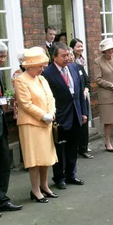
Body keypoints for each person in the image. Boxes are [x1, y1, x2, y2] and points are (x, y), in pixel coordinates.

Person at [14, 47, 58, 203]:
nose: (43, 68)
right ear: (30, 66)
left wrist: (51, 112)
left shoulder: (41, 79)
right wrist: (43, 115)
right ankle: (35, 190)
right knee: (34, 160)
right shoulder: (20, 80)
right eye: (40, 66)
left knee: (45, 157)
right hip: (30, 125)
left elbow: (50, 98)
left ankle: (44, 186)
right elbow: (25, 104)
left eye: (43, 65)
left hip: (45, 123)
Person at [43, 42, 87, 190]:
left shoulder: (74, 67)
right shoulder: (47, 73)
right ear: (54, 57)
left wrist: (84, 112)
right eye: (64, 55)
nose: (68, 58)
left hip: (75, 112)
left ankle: (71, 174)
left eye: (68, 54)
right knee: (59, 148)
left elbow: (80, 92)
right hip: (60, 116)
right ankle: (59, 177)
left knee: (73, 146)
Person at [0, 41, 23, 214]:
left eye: (4, 56)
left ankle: (2, 199)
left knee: (4, 163)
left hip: (1, 127)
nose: (3, 60)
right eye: (0, 56)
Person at [67, 45, 93, 159]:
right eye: (69, 55)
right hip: (72, 102)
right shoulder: (65, 70)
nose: (71, 57)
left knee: (84, 125)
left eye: (72, 55)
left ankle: (83, 148)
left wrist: (86, 89)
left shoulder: (79, 67)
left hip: (83, 99)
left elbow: (87, 81)